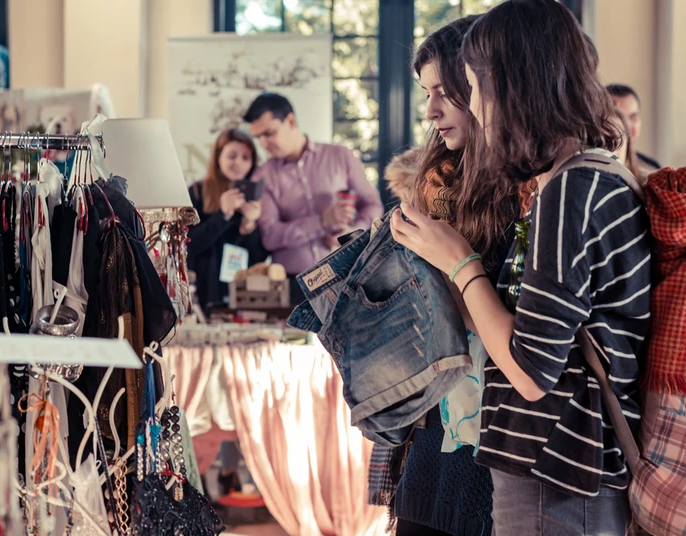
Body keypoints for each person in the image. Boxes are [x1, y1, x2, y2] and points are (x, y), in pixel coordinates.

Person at [391, 1, 651, 534]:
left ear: (510, 86)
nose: (474, 105)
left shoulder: (571, 190)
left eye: (471, 87)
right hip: (559, 470)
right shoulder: (588, 178)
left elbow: (531, 373)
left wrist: (458, 260)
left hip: (557, 474)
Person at [380, 16, 528, 536]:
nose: (430, 110)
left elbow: (522, 339)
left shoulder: (529, 191)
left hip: (498, 428)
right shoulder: (434, 183)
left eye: (444, 91)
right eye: (427, 93)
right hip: (432, 423)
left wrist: (451, 267)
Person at [243, 93, 383, 302]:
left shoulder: (341, 156)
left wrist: (352, 235)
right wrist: (322, 222)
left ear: (291, 121)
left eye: (269, 133)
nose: (263, 143)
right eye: (258, 137)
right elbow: (270, 236)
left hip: (348, 278)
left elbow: (372, 204)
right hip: (294, 290)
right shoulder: (263, 176)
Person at [186, 127, 268, 315]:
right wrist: (222, 215)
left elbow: (259, 259)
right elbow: (189, 244)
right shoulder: (198, 192)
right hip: (204, 293)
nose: (238, 163)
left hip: (242, 297)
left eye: (246, 158)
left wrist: (249, 227)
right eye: (232, 156)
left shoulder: (256, 197)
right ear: (218, 157)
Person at [607, 83, 661, 171]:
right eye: (617, 117)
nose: (626, 126)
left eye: (633, 118)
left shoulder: (653, 170)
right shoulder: (592, 169)